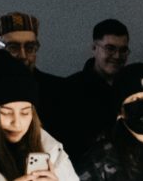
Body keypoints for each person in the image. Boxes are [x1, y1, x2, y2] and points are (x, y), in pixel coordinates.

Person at [50, 18, 130, 156]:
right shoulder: (68, 90)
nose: (117, 56)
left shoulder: (131, 89)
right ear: (94, 48)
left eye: (123, 50)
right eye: (110, 48)